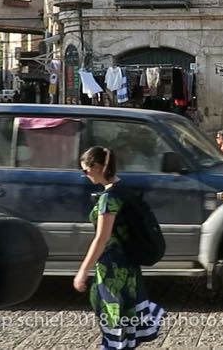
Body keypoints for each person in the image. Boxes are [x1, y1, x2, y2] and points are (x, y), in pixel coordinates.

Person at [76, 146, 165, 349]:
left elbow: (101, 238)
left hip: (112, 269)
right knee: (125, 316)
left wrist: (82, 272)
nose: (85, 175)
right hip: (128, 265)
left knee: (112, 316)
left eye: (86, 170)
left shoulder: (108, 199)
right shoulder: (124, 189)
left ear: (97, 167)